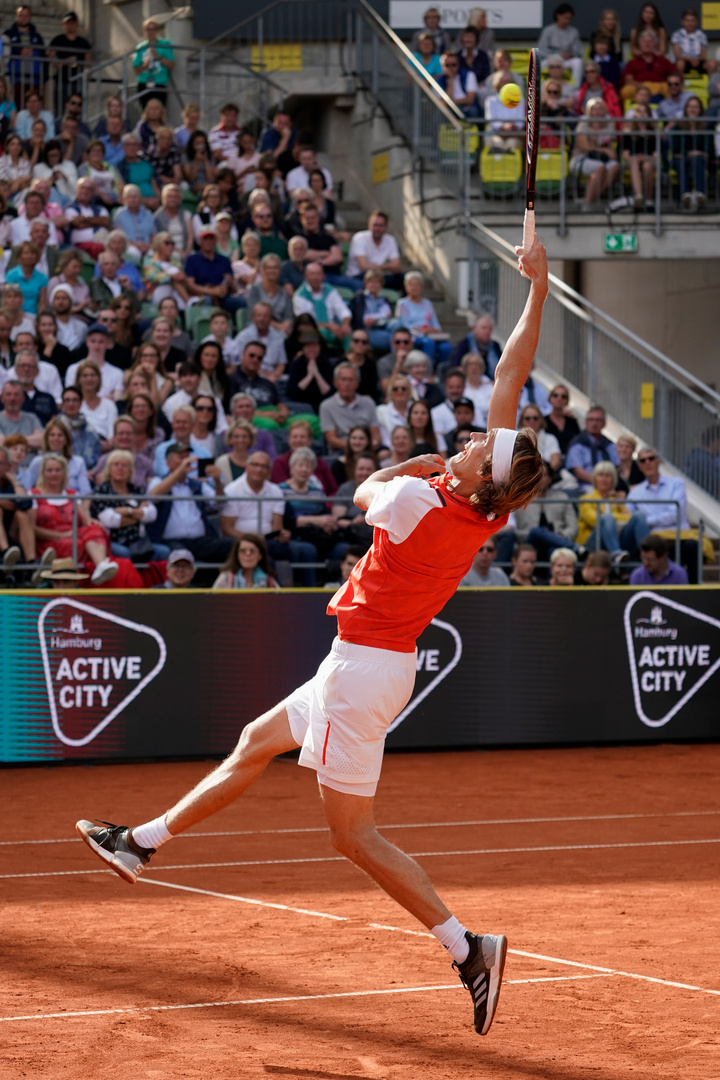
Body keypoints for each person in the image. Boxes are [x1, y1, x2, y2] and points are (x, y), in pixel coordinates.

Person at [74, 240, 551, 1049]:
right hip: (362, 664)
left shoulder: (421, 501)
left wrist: (412, 463)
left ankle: (468, 949)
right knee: (255, 741)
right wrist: (536, 286)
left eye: (475, 445)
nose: (472, 435)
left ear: (476, 476)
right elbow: (510, 374)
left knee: (351, 836)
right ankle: (140, 845)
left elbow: (363, 488)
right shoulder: (485, 501)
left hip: (363, 673)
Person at [220, 450, 316, 582]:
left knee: (307, 550)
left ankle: (308, 595)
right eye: (255, 465)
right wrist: (251, 539)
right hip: (240, 541)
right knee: (269, 559)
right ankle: (277, 595)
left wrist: (282, 535)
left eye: (264, 466)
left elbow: (276, 527)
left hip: (268, 541)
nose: (259, 469)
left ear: (269, 471)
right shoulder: (232, 490)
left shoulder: (275, 491)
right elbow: (227, 529)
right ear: (246, 467)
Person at [28, 452, 118, 583]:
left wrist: (92, 522)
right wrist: (62, 535)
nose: (54, 474)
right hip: (49, 541)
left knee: (95, 529)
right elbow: (31, 529)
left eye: (58, 470)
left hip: (73, 535)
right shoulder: (34, 494)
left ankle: (100, 565)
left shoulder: (72, 494)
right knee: (76, 543)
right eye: (49, 470)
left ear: (64, 473)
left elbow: (86, 519)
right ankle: (96, 568)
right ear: (43, 473)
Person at [146, 442, 230, 563]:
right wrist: (178, 473)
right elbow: (154, 496)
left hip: (199, 541)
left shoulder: (197, 484)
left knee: (233, 545)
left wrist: (217, 481)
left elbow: (219, 503)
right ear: (168, 463)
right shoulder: (158, 481)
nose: (186, 461)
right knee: (182, 556)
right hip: (170, 541)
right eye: (180, 458)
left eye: (187, 457)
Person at [628, 447, 700, 582]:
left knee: (693, 546)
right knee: (640, 549)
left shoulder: (676, 484)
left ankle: (693, 591)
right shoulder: (635, 492)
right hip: (652, 540)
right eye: (643, 460)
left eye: (651, 458)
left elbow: (676, 514)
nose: (648, 462)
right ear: (639, 466)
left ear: (658, 461)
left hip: (678, 536)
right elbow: (629, 518)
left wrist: (646, 521)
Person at [90, 449, 168, 562]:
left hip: (138, 542)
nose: (120, 468)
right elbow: (111, 520)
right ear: (109, 469)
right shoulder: (102, 491)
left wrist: (124, 511)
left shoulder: (136, 490)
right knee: (124, 554)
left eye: (124, 465)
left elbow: (152, 514)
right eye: (116, 465)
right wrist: (138, 514)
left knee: (163, 552)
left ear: (130, 470)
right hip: (112, 540)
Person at [577, 461, 649, 563]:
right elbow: (595, 520)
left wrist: (615, 519)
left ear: (613, 480)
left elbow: (630, 517)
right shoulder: (585, 499)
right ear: (594, 479)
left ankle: (648, 555)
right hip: (593, 543)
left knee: (639, 516)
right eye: (600, 475)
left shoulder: (616, 501)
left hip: (618, 540)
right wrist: (618, 518)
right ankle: (616, 555)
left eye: (608, 476)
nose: (604, 479)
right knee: (607, 518)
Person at [570, 98, 620, 210]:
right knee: (600, 168)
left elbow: (611, 149)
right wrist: (604, 150)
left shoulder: (609, 125)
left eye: (600, 109)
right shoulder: (583, 124)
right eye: (594, 109)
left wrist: (606, 151)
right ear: (589, 111)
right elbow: (584, 147)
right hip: (582, 158)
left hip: (602, 158)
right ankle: (587, 203)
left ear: (604, 110)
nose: (597, 112)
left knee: (615, 167)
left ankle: (590, 198)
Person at [320, 363, 380, 452]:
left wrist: (372, 444)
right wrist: (356, 445)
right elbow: (331, 440)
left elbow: (376, 435)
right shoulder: (326, 406)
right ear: (335, 382)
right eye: (343, 379)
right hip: (341, 451)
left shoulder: (368, 403)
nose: (347, 384)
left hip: (367, 451)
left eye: (351, 380)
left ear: (357, 383)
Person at [293, 263, 352, 352]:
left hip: (334, 329)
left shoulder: (331, 290)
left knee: (348, 332)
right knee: (321, 332)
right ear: (306, 276)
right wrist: (329, 326)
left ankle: (348, 359)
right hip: (313, 330)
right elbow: (304, 323)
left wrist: (345, 324)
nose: (315, 277)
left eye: (318, 274)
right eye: (312, 274)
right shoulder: (300, 296)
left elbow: (343, 311)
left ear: (323, 276)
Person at [396, 272, 451, 368]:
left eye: (417, 285)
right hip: (414, 336)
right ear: (406, 287)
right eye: (411, 284)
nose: (414, 288)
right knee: (428, 343)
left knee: (446, 347)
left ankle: (437, 371)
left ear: (422, 287)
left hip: (430, 334)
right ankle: (427, 372)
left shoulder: (428, 303)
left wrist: (433, 330)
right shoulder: (402, 304)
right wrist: (423, 331)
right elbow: (405, 326)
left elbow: (436, 325)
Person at [672, 96, 713, 212]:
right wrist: (688, 153)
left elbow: (710, 149)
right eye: (690, 107)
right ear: (686, 109)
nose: (693, 109)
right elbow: (675, 149)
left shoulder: (706, 127)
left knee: (697, 159)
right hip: (681, 159)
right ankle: (685, 195)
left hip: (701, 160)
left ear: (700, 110)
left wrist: (698, 153)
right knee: (682, 161)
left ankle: (700, 194)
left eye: (696, 107)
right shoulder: (678, 127)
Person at [48, 12, 91, 115]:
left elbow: (89, 62)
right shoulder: (58, 40)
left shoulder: (83, 42)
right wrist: (64, 62)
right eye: (68, 23)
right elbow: (51, 59)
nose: (70, 25)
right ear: (64, 24)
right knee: (60, 110)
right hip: (62, 80)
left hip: (78, 81)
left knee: (78, 109)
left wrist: (86, 73)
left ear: (76, 24)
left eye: (72, 22)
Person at [346, 212, 403, 290]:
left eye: (380, 225)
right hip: (358, 276)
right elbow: (364, 267)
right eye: (374, 225)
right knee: (367, 280)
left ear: (386, 227)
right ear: (369, 225)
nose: (377, 229)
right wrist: (388, 266)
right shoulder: (359, 238)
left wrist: (390, 267)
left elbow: (396, 267)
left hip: (379, 277)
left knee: (404, 278)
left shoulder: (390, 240)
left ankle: (405, 302)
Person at [565, 405, 619, 487]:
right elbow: (578, 472)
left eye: (598, 420)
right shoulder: (577, 444)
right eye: (591, 420)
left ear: (604, 423)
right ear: (586, 423)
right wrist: (600, 484)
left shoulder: (610, 446)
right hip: (586, 487)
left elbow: (617, 468)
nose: (594, 423)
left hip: (610, 487)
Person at [285, 328, 334, 414]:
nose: (311, 349)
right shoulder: (296, 364)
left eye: (314, 346)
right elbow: (291, 393)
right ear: (303, 348)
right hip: (301, 406)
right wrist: (309, 376)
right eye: (308, 346)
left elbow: (330, 393)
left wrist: (317, 375)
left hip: (323, 406)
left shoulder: (326, 364)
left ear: (320, 347)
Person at [234, 301, 287, 380]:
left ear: (271, 318)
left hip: (274, 378)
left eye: (265, 316)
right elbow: (240, 362)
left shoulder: (278, 337)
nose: (262, 319)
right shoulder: (243, 337)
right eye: (259, 315)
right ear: (253, 318)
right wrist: (266, 376)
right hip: (251, 376)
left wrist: (275, 375)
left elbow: (281, 363)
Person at [621, 30, 678, 103]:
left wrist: (660, 86)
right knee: (625, 91)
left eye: (650, 42)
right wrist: (644, 87)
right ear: (640, 45)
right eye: (644, 42)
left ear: (654, 45)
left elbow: (675, 75)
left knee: (671, 88)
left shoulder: (663, 61)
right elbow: (628, 80)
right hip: (640, 87)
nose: (647, 44)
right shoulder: (632, 63)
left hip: (660, 87)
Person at [6, 4, 45, 108]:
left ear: (30, 17)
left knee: (35, 109)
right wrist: (19, 51)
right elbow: (3, 52)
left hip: (35, 80)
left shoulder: (37, 36)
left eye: (26, 15)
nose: (23, 18)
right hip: (16, 79)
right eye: (21, 15)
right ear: (16, 16)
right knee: (17, 108)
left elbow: (43, 56)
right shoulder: (8, 34)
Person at [537, 3, 584, 88]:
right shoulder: (548, 30)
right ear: (558, 16)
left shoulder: (573, 31)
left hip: (566, 61)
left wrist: (571, 54)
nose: (567, 21)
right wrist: (556, 55)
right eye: (565, 18)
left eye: (569, 19)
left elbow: (578, 51)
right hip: (550, 59)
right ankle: (541, 88)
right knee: (537, 65)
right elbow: (541, 50)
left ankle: (575, 88)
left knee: (578, 62)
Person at [212, 532, 280, 590]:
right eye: (242, 551)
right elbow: (212, 601)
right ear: (237, 555)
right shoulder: (226, 577)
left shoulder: (267, 579)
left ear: (260, 556)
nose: (247, 554)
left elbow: (280, 601)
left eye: (252, 551)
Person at [621, 103, 656, 210]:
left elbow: (656, 155)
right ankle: (639, 196)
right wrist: (637, 158)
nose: (642, 114)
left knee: (647, 166)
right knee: (634, 160)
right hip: (633, 162)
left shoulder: (654, 133)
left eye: (644, 111)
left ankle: (649, 200)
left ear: (649, 115)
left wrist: (644, 158)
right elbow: (625, 155)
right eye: (639, 111)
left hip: (649, 160)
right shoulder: (628, 132)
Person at [133, 17, 174, 108]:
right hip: (144, 83)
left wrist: (157, 56)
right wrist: (144, 65)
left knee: (159, 111)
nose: (150, 32)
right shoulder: (140, 47)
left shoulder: (165, 44)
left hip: (160, 83)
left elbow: (171, 65)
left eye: (153, 29)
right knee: (145, 111)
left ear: (157, 31)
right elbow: (136, 70)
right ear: (144, 31)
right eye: (148, 29)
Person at [58, 383, 101, 469]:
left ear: (81, 403)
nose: (71, 404)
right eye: (67, 400)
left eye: (75, 400)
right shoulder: (56, 427)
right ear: (62, 404)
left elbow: (96, 453)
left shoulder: (90, 428)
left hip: (89, 472)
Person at [484, 72, 526, 149]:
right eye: (502, 81)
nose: (504, 84)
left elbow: (520, 120)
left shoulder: (520, 100)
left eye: (507, 82)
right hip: (495, 133)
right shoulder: (490, 101)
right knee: (498, 143)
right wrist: (502, 127)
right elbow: (490, 119)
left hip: (514, 134)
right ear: (497, 84)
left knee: (511, 144)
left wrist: (511, 127)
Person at [0, 378, 42, 446]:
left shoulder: (32, 418)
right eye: (8, 394)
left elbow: (41, 440)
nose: (12, 398)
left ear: (23, 398)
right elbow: (1, 443)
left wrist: (9, 441)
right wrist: (28, 441)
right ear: (2, 398)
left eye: (16, 394)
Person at [437, 53, 480, 119]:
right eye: (447, 65)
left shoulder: (469, 75)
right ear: (442, 67)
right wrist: (451, 79)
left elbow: (470, 99)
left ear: (458, 65)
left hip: (467, 109)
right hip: (449, 110)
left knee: (473, 111)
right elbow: (443, 104)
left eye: (453, 65)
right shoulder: (439, 81)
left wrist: (450, 102)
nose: (451, 68)